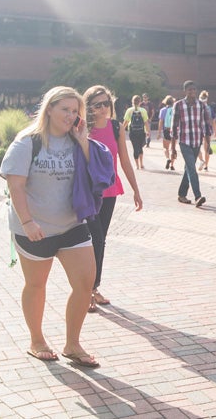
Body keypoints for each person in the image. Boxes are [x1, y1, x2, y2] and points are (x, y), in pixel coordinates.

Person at [0, 85, 100, 368]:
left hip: (71, 224)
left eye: (75, 111)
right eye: (65, 109)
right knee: (36, 284)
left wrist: (83, 142)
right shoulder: (27, 142)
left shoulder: (77, 139)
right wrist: (28, 222)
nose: (71, 116)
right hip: (35, 228)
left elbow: (97, 174)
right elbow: (15, 186)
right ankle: (37, 340)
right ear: (50, 109)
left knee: (85, 283)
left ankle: (72, 344)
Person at [83, 85, 143, 313]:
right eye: (97, 104)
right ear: (89, 107)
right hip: (88, 193)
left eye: (106, 103)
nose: (103, 108)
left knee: (101, 239)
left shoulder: (116, 127)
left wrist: (136, 190)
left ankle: (93, 287)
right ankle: (86, 290)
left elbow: (125, 161)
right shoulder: (82, 128)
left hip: (109, 191)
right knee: (92, 239)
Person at [170, 80, 213, 207]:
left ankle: (181, 194)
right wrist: (172, 149)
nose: (192, 92)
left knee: (188, 169)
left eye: (194, 89)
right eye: (190, 89)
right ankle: (198, 196)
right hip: (184, 142)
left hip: (196, 142)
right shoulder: (178, 105)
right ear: (185, 91)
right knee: (192, 169)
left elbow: (206, 126)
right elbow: (174, 128)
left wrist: (208, 145)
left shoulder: (202, 106)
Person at [123, 94, 149, 170]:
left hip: (132, 132)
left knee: (135, 147)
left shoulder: (129, 110)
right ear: (140, 102)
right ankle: (141, 164)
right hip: (141, 131)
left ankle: (136, 165)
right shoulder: (143, 111)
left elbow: (126, 122)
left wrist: (122, 130)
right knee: (140, 148)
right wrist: (148, 131)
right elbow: (146, 122)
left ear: (132, 102)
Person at [197, 90, 216, 171]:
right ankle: (206, 166)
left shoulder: (197, 108)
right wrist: (215, 131)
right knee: (207, 148)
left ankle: (201, 160)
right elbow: (213, 121)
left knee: (197, 147)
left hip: (198, 129)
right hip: (207, 129)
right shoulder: (209, 108)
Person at [158, 95, 176, 170]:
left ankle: (167, 158)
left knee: (165, 148)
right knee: (173, 148)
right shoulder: (175, 109)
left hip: (166, 130)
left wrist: (159, 132)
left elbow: (161, 122)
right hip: (174, 130)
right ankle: (172, 164)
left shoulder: (163, 110)